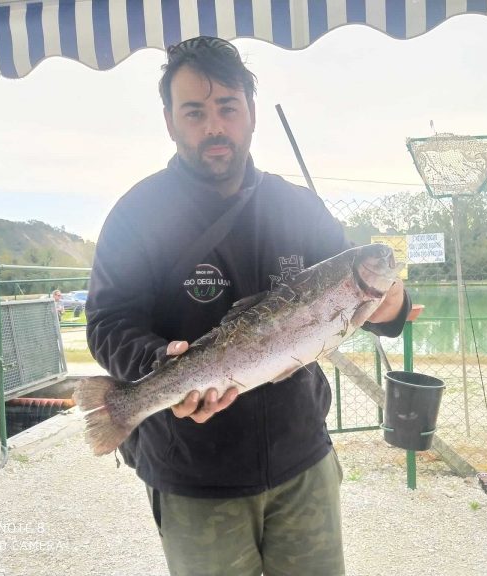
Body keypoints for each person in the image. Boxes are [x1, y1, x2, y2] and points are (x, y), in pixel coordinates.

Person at [85, 36, 411, 576]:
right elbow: (107, 321)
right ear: (169, 120)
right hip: (191, 471)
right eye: (194, 112)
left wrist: (392, 301)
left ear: (251, 114)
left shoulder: (297, 206)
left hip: (302, 459)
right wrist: (156, 364)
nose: (214, 126)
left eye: (227, 108)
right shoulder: (136, 215)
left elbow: (383, 313)